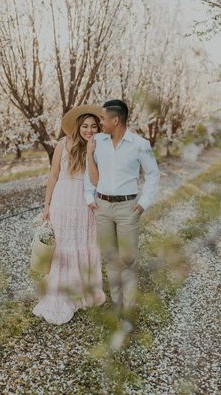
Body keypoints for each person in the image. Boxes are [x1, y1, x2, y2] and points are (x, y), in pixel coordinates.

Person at [84, 99, 160, 325]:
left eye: (103, 119)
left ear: (115, 120)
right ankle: (116, 306)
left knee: (127, 259)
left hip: (128, 208)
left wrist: (144, 202)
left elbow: (153, 174)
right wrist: (90, 197)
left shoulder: (140, 144)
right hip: (102, 207)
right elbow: (90, 169)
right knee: (109, 257)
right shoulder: (97, 141)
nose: (100, 123)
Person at [33, 105, 106, 325]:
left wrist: (92, 152)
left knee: (84, 244)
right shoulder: (62, 144)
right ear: (78, 126)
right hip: (63, 201)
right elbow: (53, 175)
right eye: (85, 126)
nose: (89, 130)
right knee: (64, 247)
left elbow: (96, 180)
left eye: (94, 126)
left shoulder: (100, 147)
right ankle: (61, 294)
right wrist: (47, 205)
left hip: (85, 202)